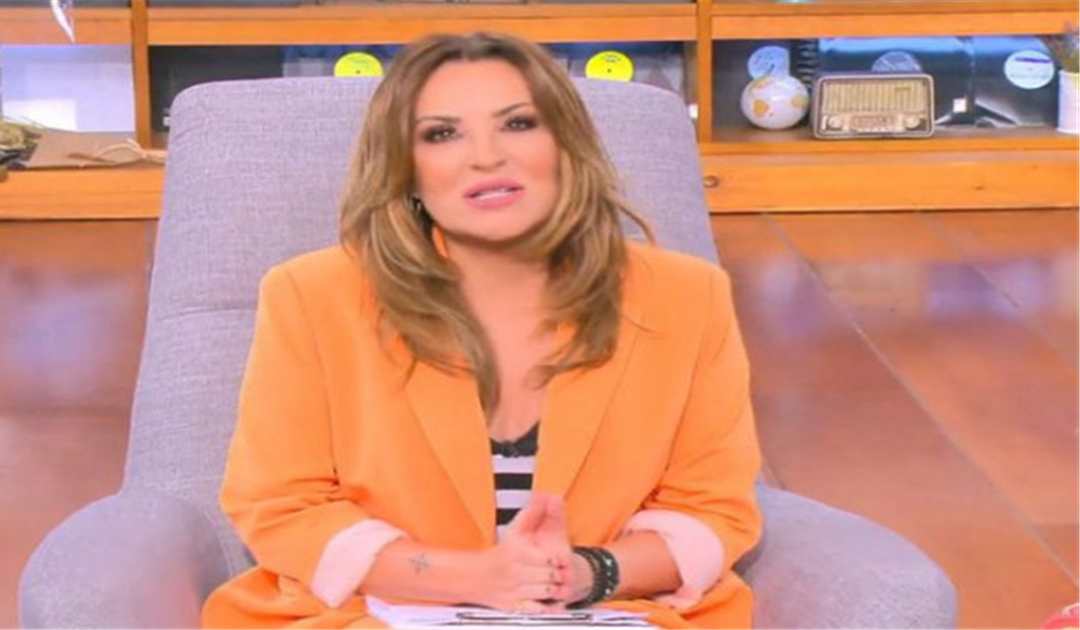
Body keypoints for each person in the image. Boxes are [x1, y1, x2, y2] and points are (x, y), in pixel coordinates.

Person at [202, 31, 762, 630]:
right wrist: (475, 577)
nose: (487, 157)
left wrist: (584, 572)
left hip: (605, 613)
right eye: (442, 134)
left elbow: (713, 508)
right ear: (405, 169)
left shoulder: (686, 296)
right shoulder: (311, 295)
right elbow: (282, 506)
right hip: (377, 614)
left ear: (566, 144)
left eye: (518, 124)